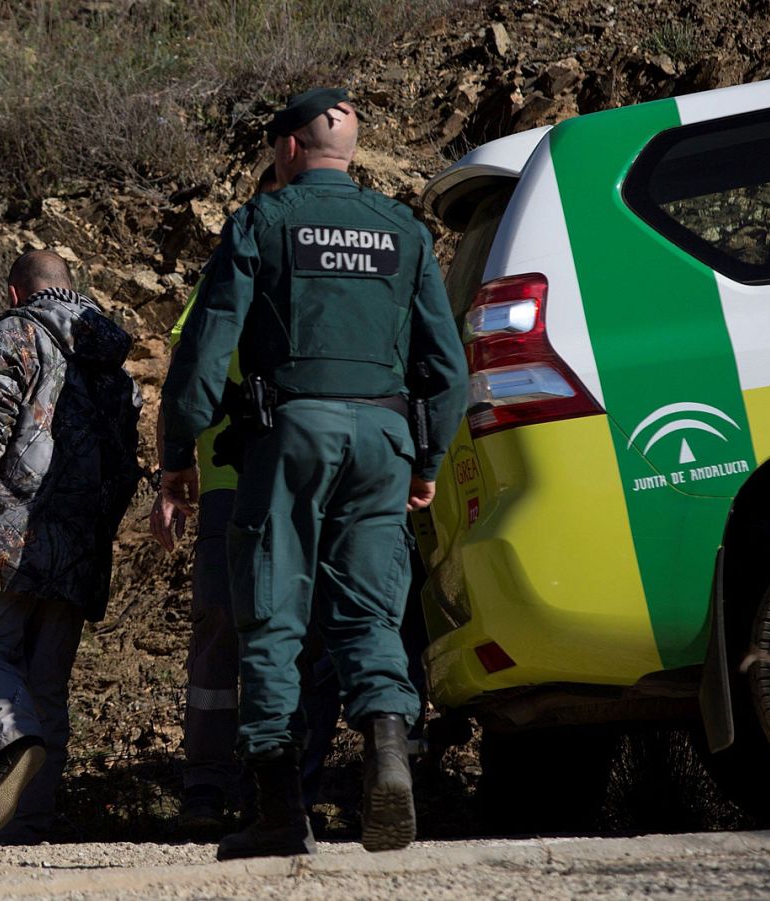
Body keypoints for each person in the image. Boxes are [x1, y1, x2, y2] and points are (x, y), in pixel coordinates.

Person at [156, 88, 468, 860]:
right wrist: (426, 461)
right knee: (368, 613)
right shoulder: (403, 229)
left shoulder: (263, 221)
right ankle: (388, 755)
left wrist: (175, 458)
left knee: (272, 614)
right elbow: (448, 371)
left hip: (291, 439)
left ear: (288, 147)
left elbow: (202, 351)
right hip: (385, 441)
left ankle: (276, 812)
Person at [0, 250, 142, 843]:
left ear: (17, 295)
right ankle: (27, 823)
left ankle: (12, 746)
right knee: (46, 684)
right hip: (78, 549)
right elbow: (125, 468)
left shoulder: (16, 332)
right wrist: (95, 539)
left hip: (6, 537)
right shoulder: (113, 362)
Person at [152, 166, 280, 835]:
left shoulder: (227, 270)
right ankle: (279, 784)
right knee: (285, 633)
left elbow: (184, 376)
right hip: (293, 485)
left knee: (222, 635)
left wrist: (171, 477)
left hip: (231, 487)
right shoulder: (315, 267)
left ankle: (212, 784)